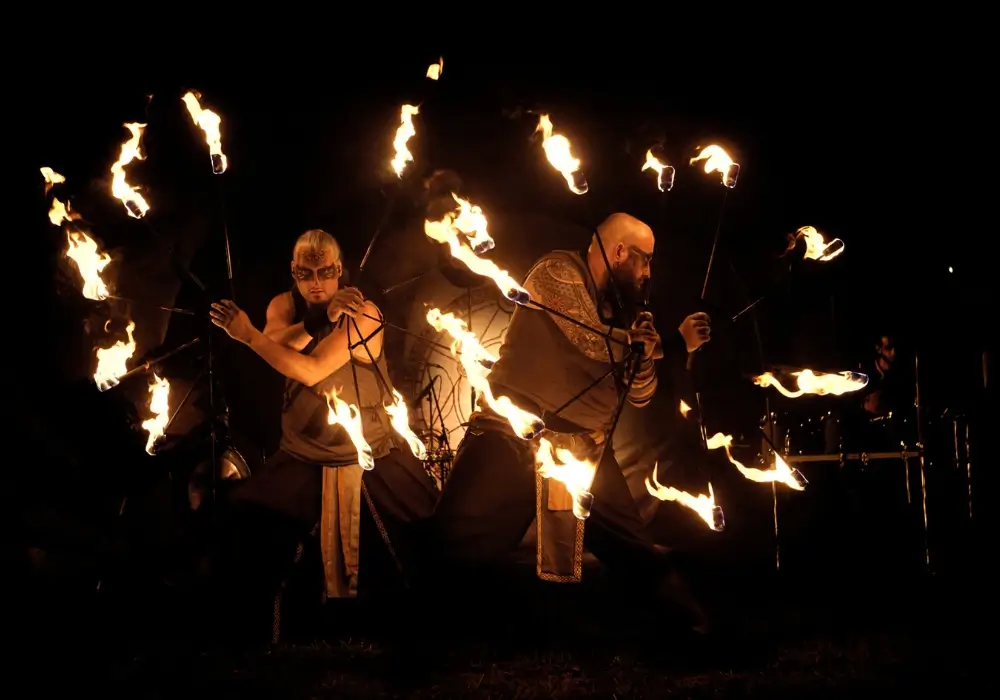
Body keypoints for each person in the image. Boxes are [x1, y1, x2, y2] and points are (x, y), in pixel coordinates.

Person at [421, 212, 714, 634]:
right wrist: (669, 344)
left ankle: (698, 640)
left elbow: (640, 393)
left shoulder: (628, 310)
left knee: (638, 555)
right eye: (644, 259)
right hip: (513, 434)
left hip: (587, 449)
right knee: (455, 543)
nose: (649, 271)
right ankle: (417, 648)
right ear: (618, 252)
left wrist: (648, 351)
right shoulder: (556, 271)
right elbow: (589, 337)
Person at [209, 229, 438, 637]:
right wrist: (315, 319)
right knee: (249, 523)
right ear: (293, 273)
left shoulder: (364, 312)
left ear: (341, 271)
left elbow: (308, 367)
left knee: (410, 549)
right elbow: (277, 342)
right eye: (305, 273)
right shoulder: (283, 304)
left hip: (367, 455)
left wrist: (247, 337)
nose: (316, 282)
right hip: (303, 452)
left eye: (325, 272)